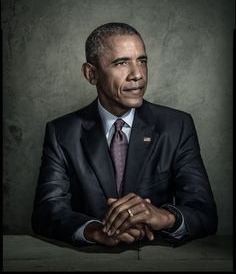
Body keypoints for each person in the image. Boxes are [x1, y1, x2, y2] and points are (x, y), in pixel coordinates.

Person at [31, 22, 218, 247]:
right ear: (91, 74)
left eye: (142, 61)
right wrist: (96, 231)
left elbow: (205, 213)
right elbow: (47, 212)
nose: (137, 74)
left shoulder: (176, 126)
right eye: (121, 63)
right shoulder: (61, 133)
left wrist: (165, 217)